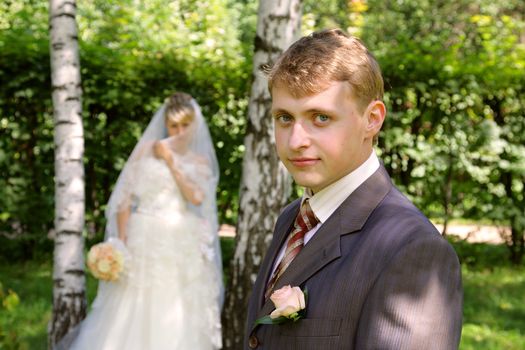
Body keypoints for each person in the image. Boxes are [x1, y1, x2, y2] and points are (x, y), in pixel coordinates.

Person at [245, 29, 463, 349]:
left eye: (320, 117)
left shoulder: (413, 250)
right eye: (284, 118)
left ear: (371, 119)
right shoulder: (291, 218)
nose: (295, 141)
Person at [66, 92, 223, 349]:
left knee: (175, 305)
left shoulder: (199, 160)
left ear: (194, 126)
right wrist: (121, 241)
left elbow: (195, 197)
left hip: (179, 240)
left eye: (185, 125)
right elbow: (124, 198)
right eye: (174, 125)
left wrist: (172, 162)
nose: (179, 131)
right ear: (166, 125)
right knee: (132, 303)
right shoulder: (145, 150)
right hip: (143, 234)